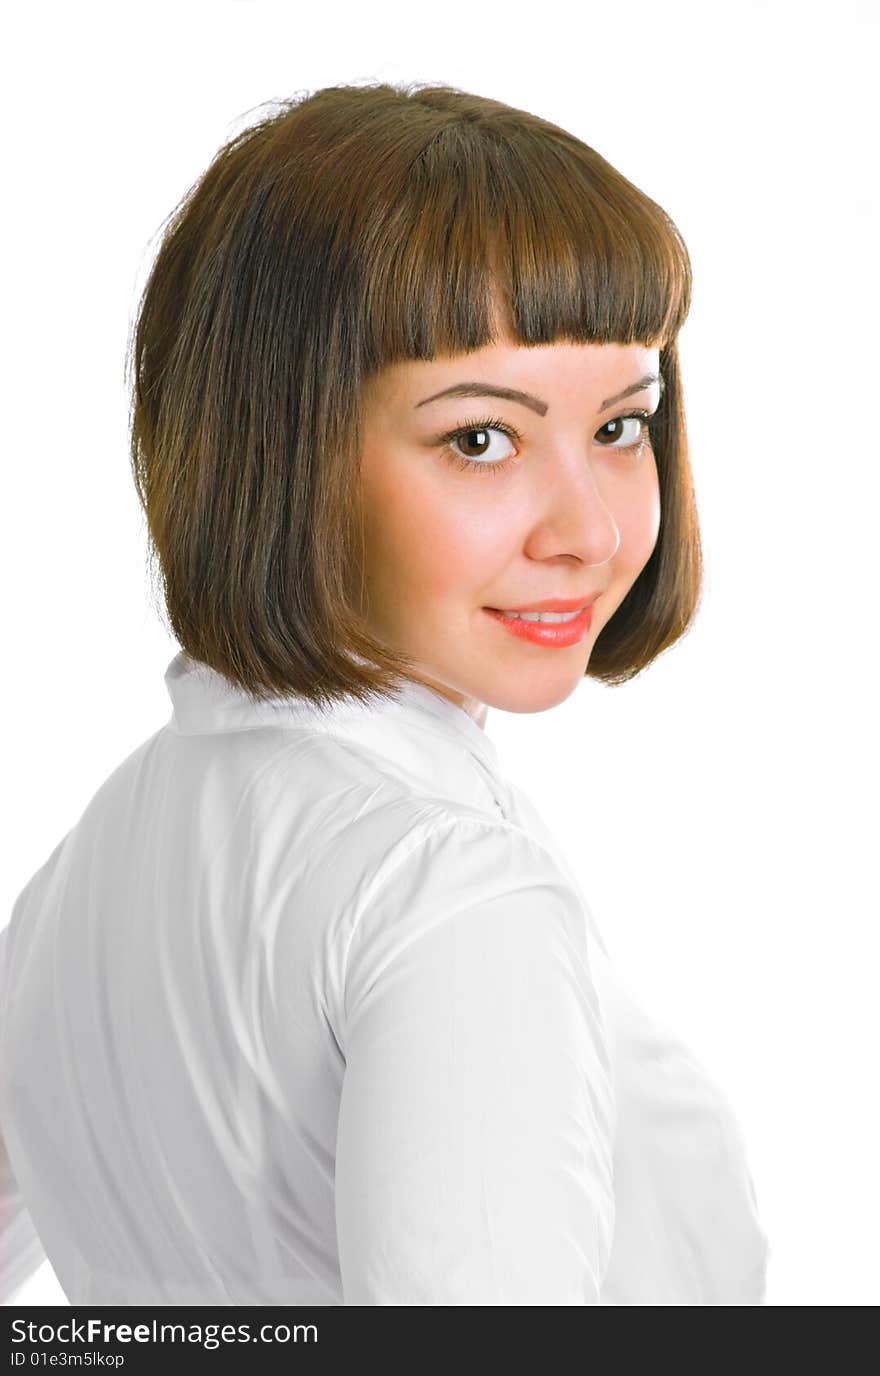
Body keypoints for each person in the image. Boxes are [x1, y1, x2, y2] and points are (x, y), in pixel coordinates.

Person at [0, 80, 770, 1306]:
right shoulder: (450, 892)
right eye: (481, 438)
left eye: (622, 426)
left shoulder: (89, 866)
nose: (588, 528)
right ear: (280, 446)